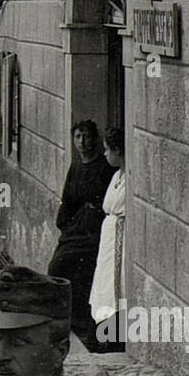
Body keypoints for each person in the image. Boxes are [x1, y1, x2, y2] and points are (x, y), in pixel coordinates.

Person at [47, 120, 114, 344]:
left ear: (95, 139)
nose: (83, 142)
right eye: (78, 137)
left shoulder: (105, 167)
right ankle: (68, 318)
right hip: (77, 227)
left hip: (95, 228)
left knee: (87, 270)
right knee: (58, 265)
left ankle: (85, 322)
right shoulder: (75, 167)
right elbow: (68, 199)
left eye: (87, 137)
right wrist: (65, 224)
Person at [89, 128, 126, 353]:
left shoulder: (128, 177)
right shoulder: (116, 176)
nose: (104, 154)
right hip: (109, 234)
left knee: (117, 285)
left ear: (118, 150)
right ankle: (103, 333)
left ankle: (114, 336)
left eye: (107, 150)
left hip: (120, 234)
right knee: (103, 283)